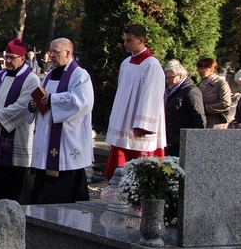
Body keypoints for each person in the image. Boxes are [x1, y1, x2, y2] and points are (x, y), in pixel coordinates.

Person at [28, 38, 93, 204]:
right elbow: (44, 98)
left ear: (68, 53)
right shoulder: (50, 74)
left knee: (65, 183)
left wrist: (52, 100)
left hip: (67, 139)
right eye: (51, 52)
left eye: (56, 52)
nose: (51, 56)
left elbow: (82, 102)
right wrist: (34, 105)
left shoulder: (80, 75)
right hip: (47, 135)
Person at [0, 38, 40, 204]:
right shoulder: (0, 75)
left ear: (22, 58)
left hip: (18, 135)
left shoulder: (31, 79)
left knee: (16, 180)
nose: (8, 61)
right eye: (6, 57)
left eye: (12, 57)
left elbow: (22, 106)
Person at [105, 24, 166, 181]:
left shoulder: (152, 65)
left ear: (141, 40)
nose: (125, 44)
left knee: (139, 164)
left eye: (129, 40)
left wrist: (143, 125)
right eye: (124, 40)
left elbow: (152, 97)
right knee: (118, 162)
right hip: (123, 122)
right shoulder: (125, 63)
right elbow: (121, 94)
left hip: (138, 125)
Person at [163, 59, 205, 157]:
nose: (168, 80)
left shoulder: (191, 91)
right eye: (167, 77)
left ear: (180, 76)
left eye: (171, 77)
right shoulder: (169, 91)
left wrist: (195, 141)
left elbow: (199, 119)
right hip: (171, 140)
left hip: (183, 141)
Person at [196, 58, 232, 129]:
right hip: (201, 123)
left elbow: (226, 103)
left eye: (202, 68)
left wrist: (205, 108)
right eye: (198, 68)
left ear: (211, 69)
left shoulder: (220, 83)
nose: (199, 71)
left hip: (215, 125)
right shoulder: (199, 84)